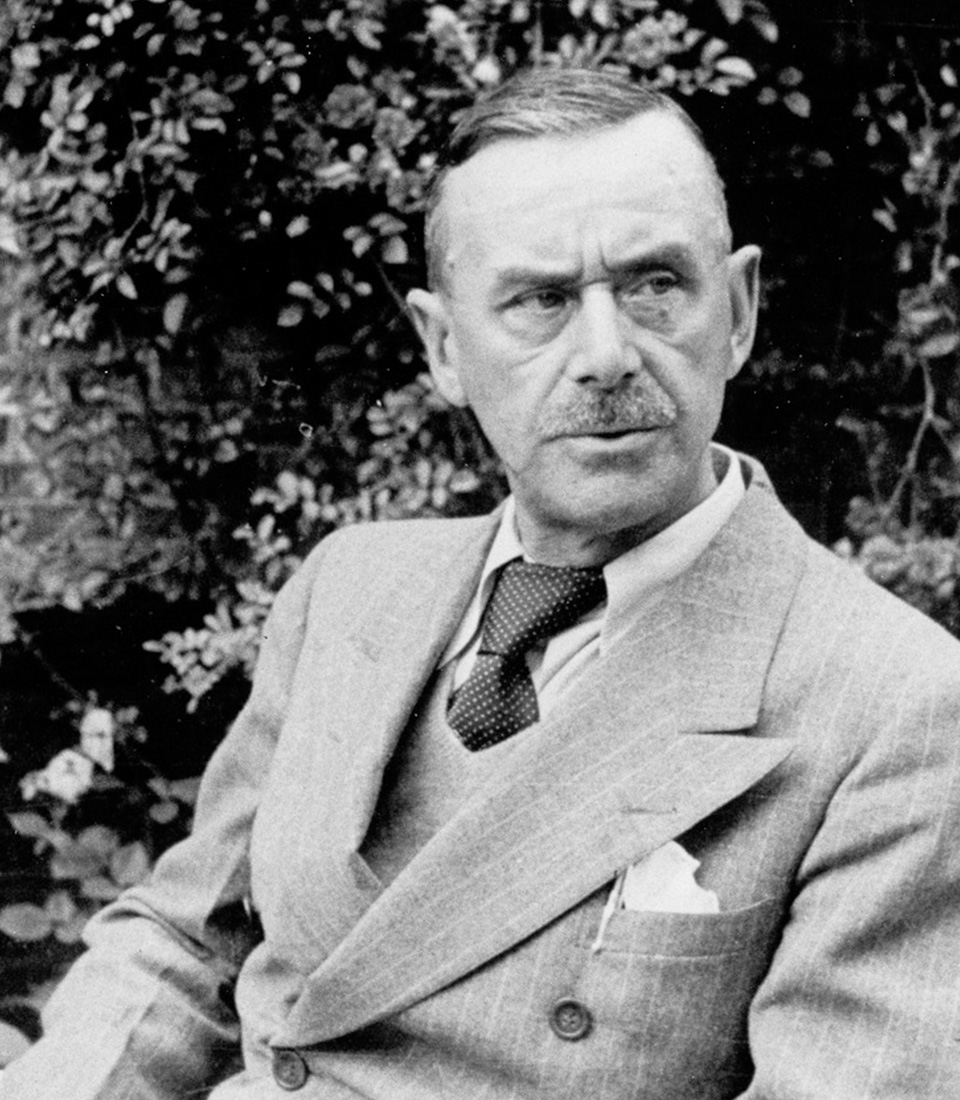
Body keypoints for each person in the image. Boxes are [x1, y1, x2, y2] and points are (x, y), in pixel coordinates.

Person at [4, 66, 960, 1100]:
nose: (607, 354)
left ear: (736, 310)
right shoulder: (351, 588)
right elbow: (187, 937)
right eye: (541, 301)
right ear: (444, 347)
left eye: (655, 286)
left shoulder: (894, 703)